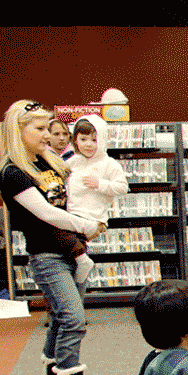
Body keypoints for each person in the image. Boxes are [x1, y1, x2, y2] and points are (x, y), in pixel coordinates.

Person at [0, 99, 108, 375]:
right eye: (40, 128)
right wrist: (86, 226)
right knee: (73, 320)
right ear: (19, 131)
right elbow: (47, 213)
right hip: (47, 257)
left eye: (49, 127)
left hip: (71, 251)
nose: (49, 135)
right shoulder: (13, 173)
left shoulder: (48, 164)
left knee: (61, 320)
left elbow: (65, 205)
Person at [62, 114, 129, 286]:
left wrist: (99, 184)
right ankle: (79, 267)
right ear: (75, 140)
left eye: (94, 140)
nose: (89, 145)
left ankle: (82, 262)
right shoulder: (73, 162)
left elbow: (122, 188)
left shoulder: (109, 164)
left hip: (92, 218)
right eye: (83, 139)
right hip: (72, 214)